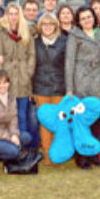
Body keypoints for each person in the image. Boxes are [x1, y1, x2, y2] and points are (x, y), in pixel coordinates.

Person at [65, 6, 100, 168]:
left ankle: (94, 154)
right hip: (81, 81)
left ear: (94, 18)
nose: (87, 20)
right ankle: (81, 157)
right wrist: (70, 88)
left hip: (99, 80)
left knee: (97, 120)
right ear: (78, 21)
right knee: (82, 122)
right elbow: (69, 62)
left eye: (89, 17)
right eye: (83, 18)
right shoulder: (74, 35)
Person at [0, 2, 39, 153]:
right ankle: (10, 146)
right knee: (8, 117)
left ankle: (24, 148)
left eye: (16, 14)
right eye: (10, 14)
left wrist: (28, 72)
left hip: (23, 80)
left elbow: (32, 55)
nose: (13, 17)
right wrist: (1, 80)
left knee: (22, 115)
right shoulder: (1, 33)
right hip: (7, 81)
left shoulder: (26, 32)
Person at [0, 71, 40, 173]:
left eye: (5, 83)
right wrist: (10, 137)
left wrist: (14, 134)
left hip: (6, 135)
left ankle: (6, 158)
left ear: (9, 84)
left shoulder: (11, 98)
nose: (2, 86)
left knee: (26, 137)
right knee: (14, 151)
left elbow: (13, 120)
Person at [32, 14, 67, 165]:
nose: (47, 26)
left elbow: (67, 66)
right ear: (40, 26)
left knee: (59, 121)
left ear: (55, 25)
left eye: (50, 23)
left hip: (59, 86)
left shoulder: (64, 42)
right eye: (44, 24)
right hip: (41, 87)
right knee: (45, 123)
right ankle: (47, 154)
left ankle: (58, 152)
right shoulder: (35, 43)